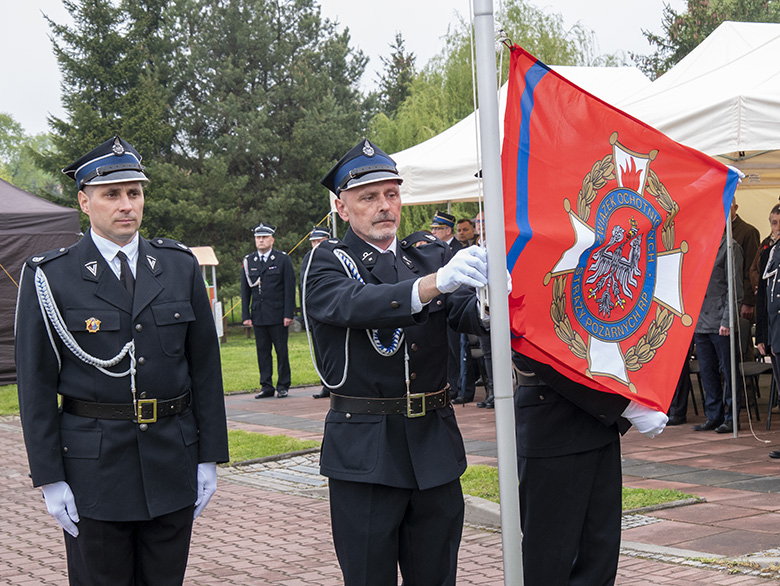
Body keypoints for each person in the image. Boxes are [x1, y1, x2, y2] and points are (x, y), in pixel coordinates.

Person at [14, 136, 229, 586]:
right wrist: (50, 478)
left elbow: (206, 370)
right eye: (111, 194)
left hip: (171, 462)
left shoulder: (178, 266)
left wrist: (209, 457)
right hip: (94, 472)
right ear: (84, 201)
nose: (127, 204)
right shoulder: (51, 276)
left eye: (134, 192)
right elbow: (35, 386)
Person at [302, 138, 489, 585]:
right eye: (368, 197)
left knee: (437, 577)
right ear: (341, 208)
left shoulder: (426, 254)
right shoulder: (328, 262)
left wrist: (488, 297)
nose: (384, 206)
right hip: (367, 451)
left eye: (392, 193)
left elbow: (464, 313)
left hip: (433, 447)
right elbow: (354, 303)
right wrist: (434, 284)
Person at [513, 352, 667, 586]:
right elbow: (545, 353)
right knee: (550, 559)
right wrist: (625, 405)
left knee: (599, 552)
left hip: (598, 425)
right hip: (553, 424)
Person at [692, 232, 744, 433]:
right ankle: (713, 415)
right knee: (707, 371)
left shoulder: (731, 246)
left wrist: (727, 320)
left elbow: (735, 287)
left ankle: (731, 417)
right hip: (701, 321)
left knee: (729, 372)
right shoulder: (699, 243)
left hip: (721, 320)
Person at [241, 222, 296, 399]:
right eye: (258, 237)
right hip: (259, 314)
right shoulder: (249, 261)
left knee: (281, 351)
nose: (261, 240)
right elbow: (245, 290)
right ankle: (266, 386)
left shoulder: (282, 259)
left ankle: (283, 385)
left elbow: (289, 288)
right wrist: (246, 315)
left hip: (278, 315)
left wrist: (288, 314)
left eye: (264, 237)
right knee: (262, 352)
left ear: (272, 240)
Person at [430, 211, 471, 403]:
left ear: (448, 230)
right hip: (441, 305)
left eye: (437, 228)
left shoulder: (459, 250)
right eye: (432, 228)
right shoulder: (435, 249)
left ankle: (464, 389)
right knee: (447, 350)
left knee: (459, 350)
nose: (433, 232)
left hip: (456, 304)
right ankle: (452, 387)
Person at [309, 225, 333, 400]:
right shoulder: (309, 261)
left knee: (332, 352)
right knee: (319, 352)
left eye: (320, 241)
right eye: (313, 241)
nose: (316, 245)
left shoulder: (335, 258)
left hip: (330, 313)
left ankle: (335, 384)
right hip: (314, 315)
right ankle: (325, 383)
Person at [731, 198, 760, 322]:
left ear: (735, 208)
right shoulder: (713, 231)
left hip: (741, 298)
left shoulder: (748, 232)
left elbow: (751, 268)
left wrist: (748, 302)